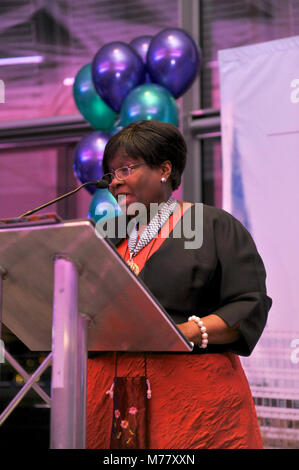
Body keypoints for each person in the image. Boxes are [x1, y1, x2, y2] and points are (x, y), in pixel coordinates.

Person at [86, 120, 272, 449]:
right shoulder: (102, 233)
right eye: (110, 174)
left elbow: (247, 304)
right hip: (110, 396)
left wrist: (185, 331)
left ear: (164, 169)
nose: (115, 182)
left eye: (126, 169)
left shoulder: (212, 225)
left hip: (191, 398)